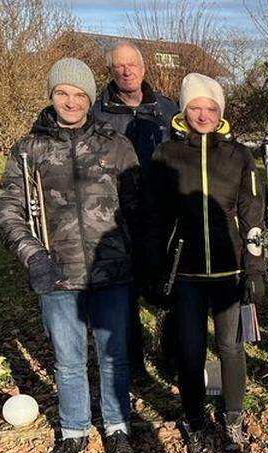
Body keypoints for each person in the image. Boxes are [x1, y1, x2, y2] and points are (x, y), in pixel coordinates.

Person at [0, 57, 144, 453]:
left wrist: (140, 258)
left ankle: (118, 429)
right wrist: (33, 255)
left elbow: (138, 208)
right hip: (56, 274)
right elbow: (5, 211)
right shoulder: (29, 150)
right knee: (68, 358)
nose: (71, 102)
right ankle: (73, 431)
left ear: (90, 99)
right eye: (63, 93)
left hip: (111, 272)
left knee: (114, 356)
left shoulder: (116, 145)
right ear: (52, 96)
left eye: (79, 95)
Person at [145, 73, 266, 453]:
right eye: (195, 107)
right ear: (183, 110)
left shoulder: (238, 155)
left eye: (210, 108)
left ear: (220, 112)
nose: (203, 114)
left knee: (231, 347)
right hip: (187, 273)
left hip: (230, 271)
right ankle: (195, 422)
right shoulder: (166, 154)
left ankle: (232, 419)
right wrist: (153, 266)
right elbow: (155, 217)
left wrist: (256, 266)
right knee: (191, 349)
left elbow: (253, 215)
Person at [91, 41, 180, 380]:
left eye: (132, 65)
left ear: (144, 68)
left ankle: (172, 356)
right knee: (124, 290)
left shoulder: (167, 110)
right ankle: (134, 362)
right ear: (111, 71)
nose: (127, 72)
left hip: (162, 214)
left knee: (169, 286)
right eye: (119, 67)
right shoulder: (98, 113)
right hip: (117, 216)